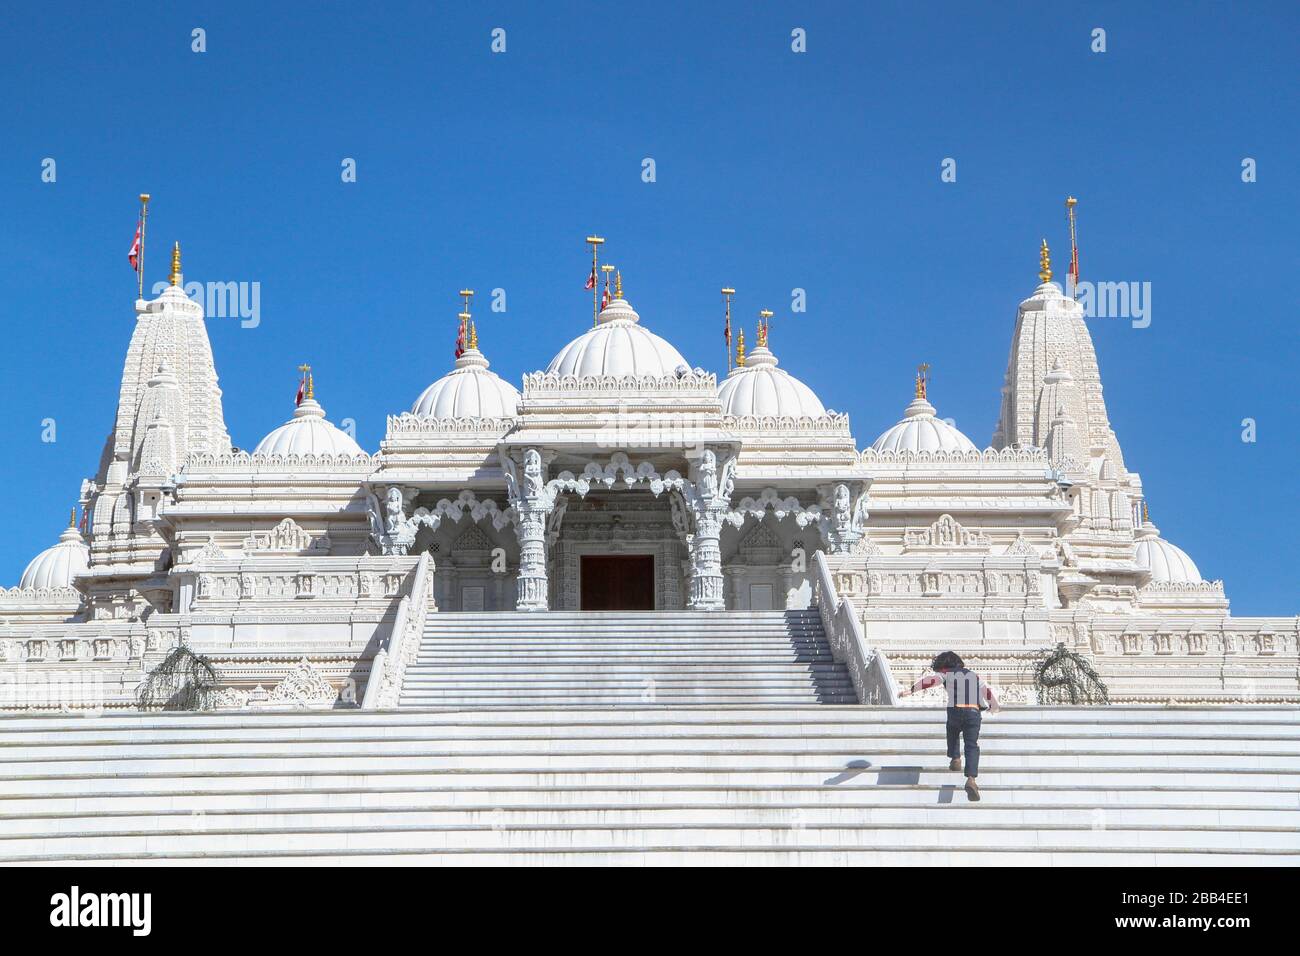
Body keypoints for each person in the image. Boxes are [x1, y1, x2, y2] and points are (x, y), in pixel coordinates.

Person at [898, 651, 1000, 801]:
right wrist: (994, 706)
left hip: (956, 708)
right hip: (973, 711)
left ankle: (955, 757)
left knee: (952, 730)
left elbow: (929, 681)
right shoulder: (973, 675)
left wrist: (910, 690)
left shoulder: (946, 674)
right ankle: (971, 779)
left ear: (943, 664)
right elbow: (987, 692)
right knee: (971, 745)